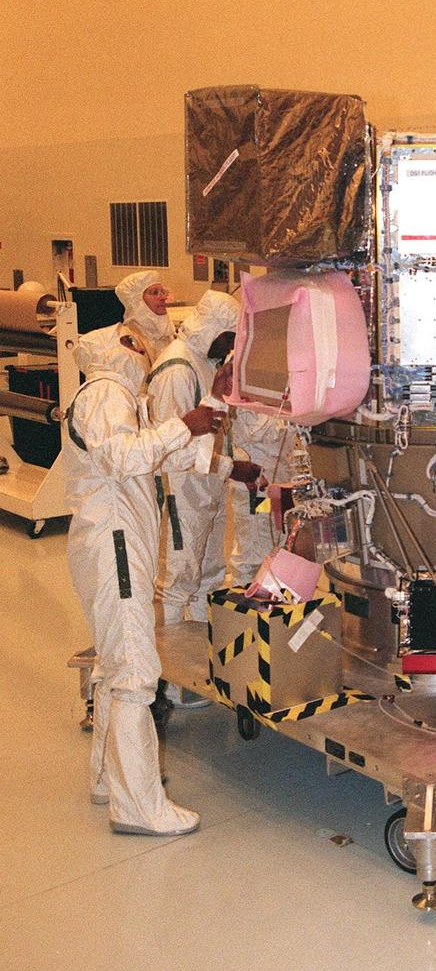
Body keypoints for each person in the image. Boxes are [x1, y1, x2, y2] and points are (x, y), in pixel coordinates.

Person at [64, 324, 223, 834]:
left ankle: (107, 781)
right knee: (133, 669)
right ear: (114, 349)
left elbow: (157, 452)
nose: (146, 346)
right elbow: (123, 457)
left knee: (115, 667)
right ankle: (137, 806)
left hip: (113, 539)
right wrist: (186, 424)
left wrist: (210, 431)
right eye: (133, 340)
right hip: (114, 542)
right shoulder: (105, 391)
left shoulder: (122, 398)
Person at [148, 290, 258, 623]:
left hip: (206, 487)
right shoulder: (177, 368)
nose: (230, 346)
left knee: (209, 573)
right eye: (228, 338)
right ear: (211, 329)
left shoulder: (205, 361)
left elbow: (212, 425)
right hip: (182, 492)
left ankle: (199, 639)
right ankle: (170, 648)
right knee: (177, 579)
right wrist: (231, 468)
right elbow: (171, 448)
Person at [228, 408, 290, 586]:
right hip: (255, 489)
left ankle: (271, 596)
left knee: (277, 546)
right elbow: (254, 431)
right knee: (252, 552)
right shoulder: (246, 399)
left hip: (278, 484)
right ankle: (245, 595)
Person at [114, 270, 176, 367]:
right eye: (155, 293)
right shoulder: (128, 339)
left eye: (163, 292)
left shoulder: (169, 332)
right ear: (137, 301)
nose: (163, 297)